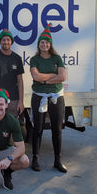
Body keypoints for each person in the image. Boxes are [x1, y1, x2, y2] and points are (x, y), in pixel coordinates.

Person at [29, 24, 67, 173]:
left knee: (57, 129)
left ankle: (58, 160)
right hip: (39, 97)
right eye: (41, 42)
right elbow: (35, 76)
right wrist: (53, 76)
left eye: (46, 42)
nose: (44, 44)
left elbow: (62, 77)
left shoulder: (57, 58)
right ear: (39, 45)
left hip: (56, 97)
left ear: (50, 44)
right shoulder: (34, 59)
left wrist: (44, 80)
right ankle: (35, 158)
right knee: (37, 129)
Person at [0, 29, 24, 117]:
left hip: (13, 100)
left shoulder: (17, 58)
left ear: (11, 42)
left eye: (8, 40)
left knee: (11, 127)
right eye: (3, 40)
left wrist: (21, 102)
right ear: (0, 42)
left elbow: (20, 81)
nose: (6, 42)